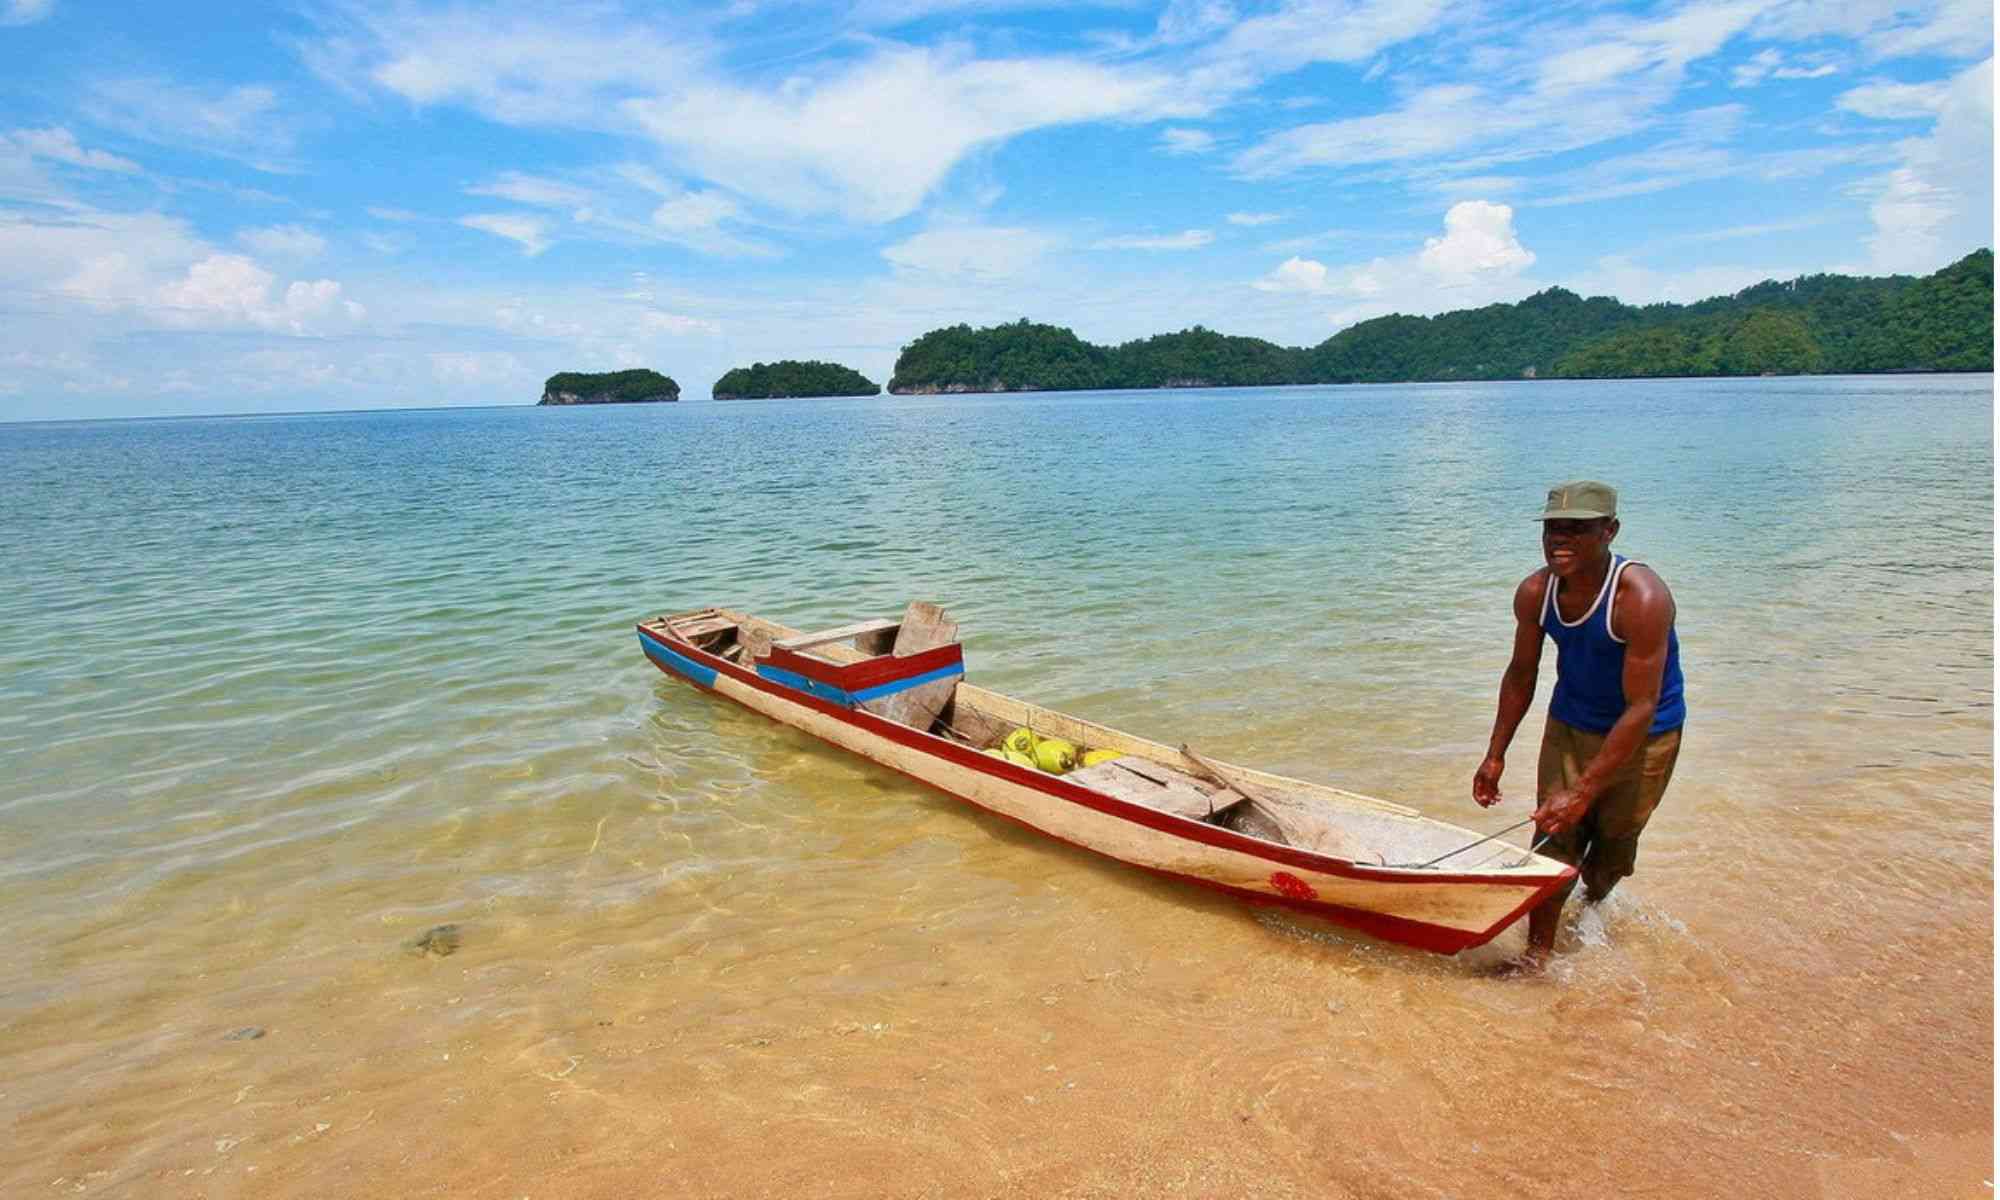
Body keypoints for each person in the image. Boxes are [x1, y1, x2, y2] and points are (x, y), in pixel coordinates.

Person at [1472, 480, 1685, 971]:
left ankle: (1593, 904)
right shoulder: (1535, 592)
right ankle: (1536, 958)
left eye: (1577, 530)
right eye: (1552, 529)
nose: (1559, 540)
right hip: (1571, 723)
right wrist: (1495, 753)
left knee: (1611, 849)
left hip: (1646, 734)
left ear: (1610, 531)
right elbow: (1521, 674)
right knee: (1553, 837)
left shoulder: (1641, 597)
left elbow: (1641, 707)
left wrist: (1584, 792)